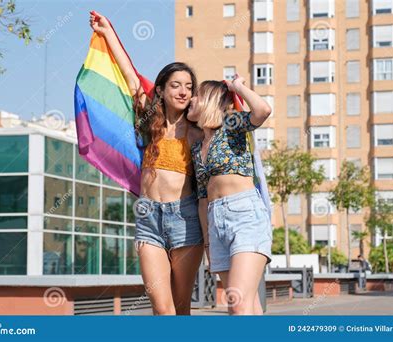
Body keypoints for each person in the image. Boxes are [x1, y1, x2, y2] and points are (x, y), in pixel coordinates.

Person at [90, 11, 204, 315]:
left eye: (189, 86)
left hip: (185, 219)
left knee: (180, 308)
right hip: (148, 217)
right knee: (162, 308)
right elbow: (130, 76)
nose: (183, 91)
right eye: (176, 85)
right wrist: (107, 32)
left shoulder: (197, 131)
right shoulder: (149, 120)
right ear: (163, 90)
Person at [187, 75, 272, 315]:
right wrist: (207, 243)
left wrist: (238, 87)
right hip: (216, 222)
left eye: (198, 95)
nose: (192, 99)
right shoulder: (197, 147)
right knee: (249, 304)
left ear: (212, 101)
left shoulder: (231, 123)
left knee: (238, 302)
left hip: (244, 214)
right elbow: (203, 199)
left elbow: (263, 110)